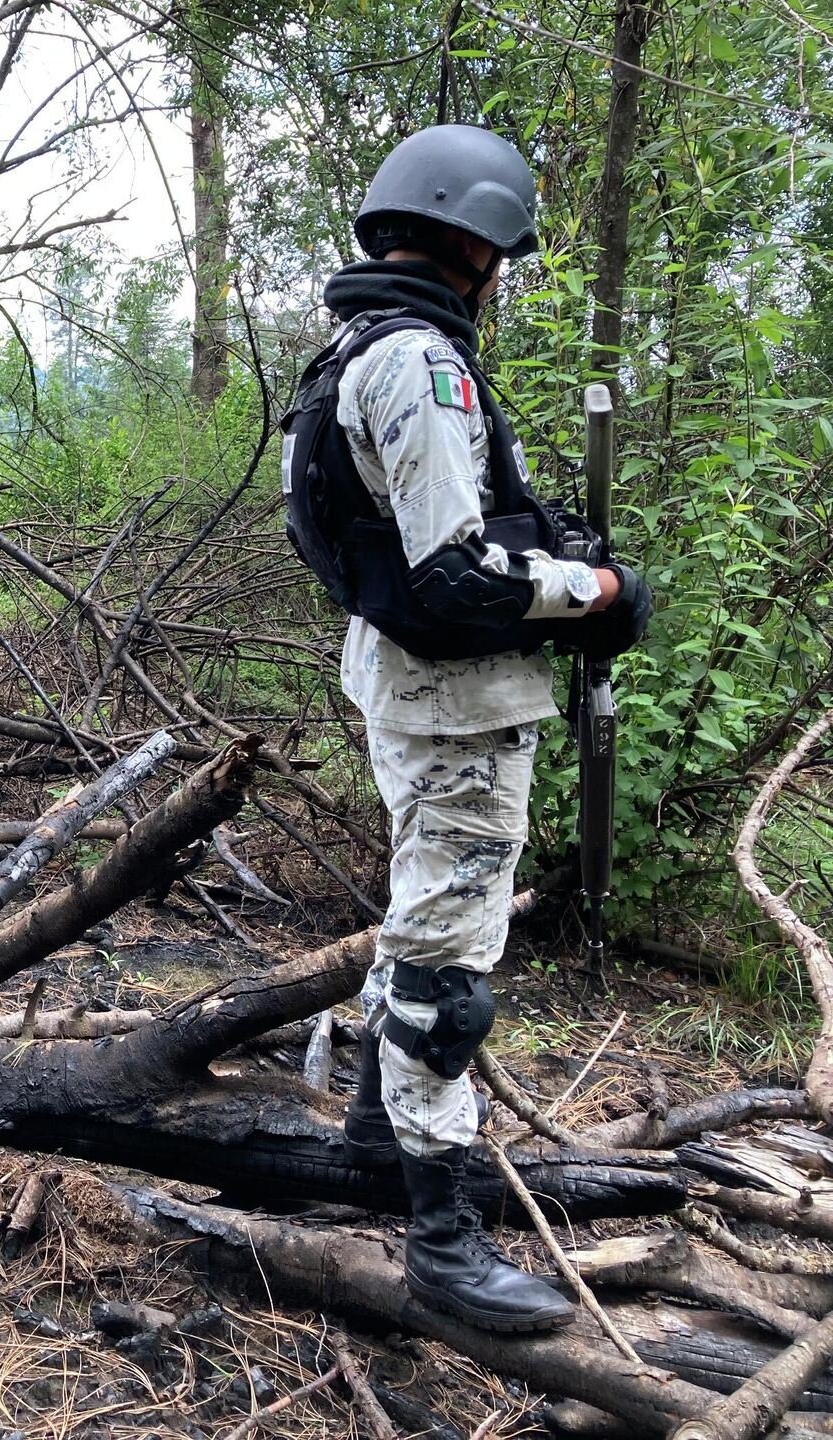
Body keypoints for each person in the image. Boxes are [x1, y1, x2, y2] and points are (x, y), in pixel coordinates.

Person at [279, 124, 653, 1334]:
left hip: (405, 693)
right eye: (505, 254)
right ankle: (442, 1241)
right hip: (457, 711)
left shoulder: (351, 347)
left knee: (419, 916)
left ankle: (373, 1139)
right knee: (447, 971)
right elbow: (451, 578)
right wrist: (593, 594)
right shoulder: (425, 366)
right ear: (475, 243)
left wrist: (546, 559)